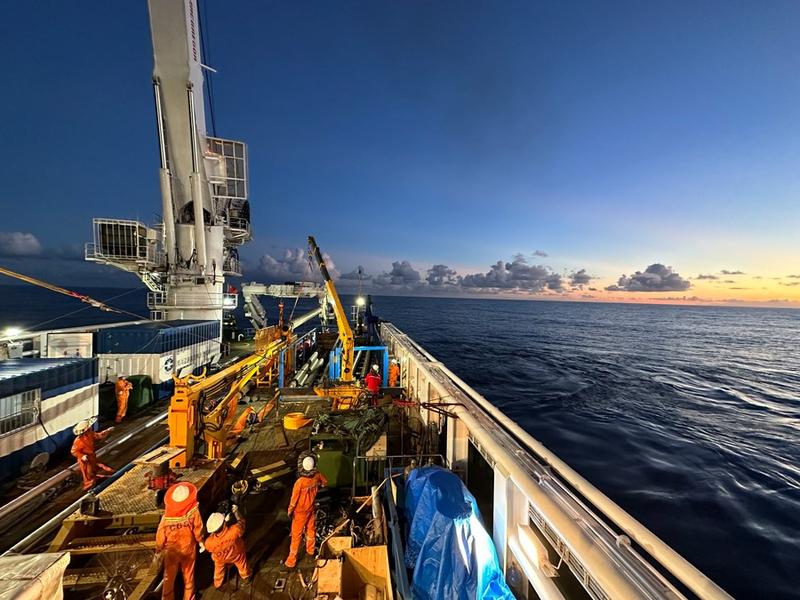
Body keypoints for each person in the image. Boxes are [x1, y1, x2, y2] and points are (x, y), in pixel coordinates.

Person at [155, 482, 205, 600]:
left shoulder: (166, 518)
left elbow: (160, 535)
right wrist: (201, 542)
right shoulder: (194, 512)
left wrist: (158, 548)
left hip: (172, 551)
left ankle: (167, 598)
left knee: (168, 576)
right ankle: (189, 597)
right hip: (188, 548)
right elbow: (198, 529)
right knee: (188, 575)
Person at [285, 456, 328, 569]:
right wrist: (317, 486)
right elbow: (325, 483)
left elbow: (294, 500)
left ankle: (291, 561)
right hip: (310, 508)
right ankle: (310, 552)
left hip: (300, 512)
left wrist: (290, 511)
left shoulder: (300, 482)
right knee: (310, 530)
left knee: (296, 535)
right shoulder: (317, 475)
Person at [204, 504, 251, 589]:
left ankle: (217, 584)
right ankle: (246, 577)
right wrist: (236, 512)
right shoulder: (234, 530)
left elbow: (209, 548)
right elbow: (241, 522)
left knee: (218, 571)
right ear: (224, 523)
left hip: (220, 559)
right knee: (242, 565)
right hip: (236, 555)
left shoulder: (208, 542)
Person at [70, 420, 114, 490]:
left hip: (91, 455)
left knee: (93, 469)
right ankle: (88, 484)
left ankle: (94, 478)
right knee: (87, 472)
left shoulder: (90, 434)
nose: (90, 428)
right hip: (85, 459)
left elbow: (99, 435)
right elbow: (74, 451)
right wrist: (82, 456)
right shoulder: (78, 441)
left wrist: (107, 431)